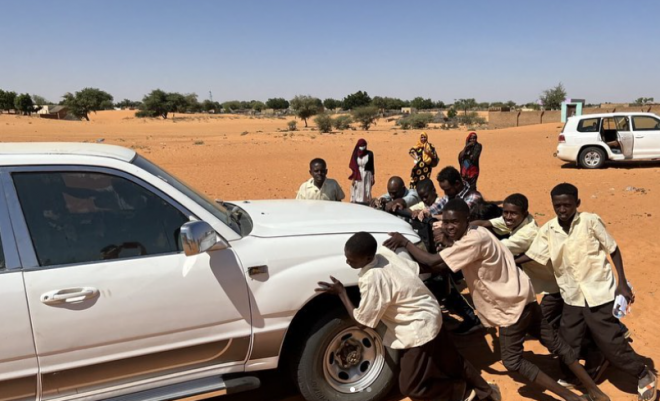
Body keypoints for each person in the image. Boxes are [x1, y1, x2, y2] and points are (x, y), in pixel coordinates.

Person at [384, 199, 610, 401]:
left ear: (467, 220)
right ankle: (596, 392)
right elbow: (448, 259)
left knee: (512, 361)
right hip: (525, 296)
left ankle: (571, 397)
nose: (449, 227)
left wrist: (405, 243)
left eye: (454, 223)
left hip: (509, 307)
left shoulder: (470, 242)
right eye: (446, 223)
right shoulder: (478, 234)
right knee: (556, 344)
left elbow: (435, 262)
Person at [316, 232, 500, 401]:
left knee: (411, 386)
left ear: (368, 257)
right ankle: (488, 393)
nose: (348, 263)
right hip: (431, 312)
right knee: (453, 362)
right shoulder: (383, 253)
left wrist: (341, 293)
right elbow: (413, 269)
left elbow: (362, 322)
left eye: (352, 261)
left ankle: (461, 391)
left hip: (417, 328)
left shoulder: (373, 278)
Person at [518, 183, 656, 401]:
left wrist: (622, 283)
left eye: (567, 205)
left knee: (610, 340)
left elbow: (613, 249)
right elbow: (533, 255)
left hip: (598, 291)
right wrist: (506, 260)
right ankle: (586, 365)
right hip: (572, 296)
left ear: (577, 203)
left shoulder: (590, 221)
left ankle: (642, 373)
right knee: (568, 340)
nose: (562, 209)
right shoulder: (549, 229)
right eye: (558, 205)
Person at [416, 166, 483, 219]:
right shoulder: (450, 195)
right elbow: (437, 206)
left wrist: (433, 216)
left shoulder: (473, 196)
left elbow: (458, 217)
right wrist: (425, 212)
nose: (445, 193)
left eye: (447, 190)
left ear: (457, 184)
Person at [348, 138, 375, 204]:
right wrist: (353, 178)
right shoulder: (356, 154)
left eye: (363, 146)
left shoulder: (370, 154)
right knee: (357, 189)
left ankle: (366, 203)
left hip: (367, 174)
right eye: (361, 146)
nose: (362, 148)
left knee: (366, 189)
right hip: (358, 174)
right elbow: (354, 166)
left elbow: (372, 166)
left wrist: (373, 177)